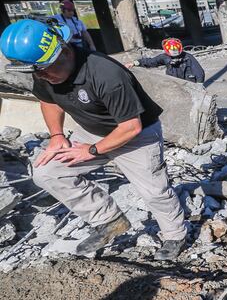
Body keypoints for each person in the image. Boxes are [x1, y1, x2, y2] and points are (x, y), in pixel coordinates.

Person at [0, 19, 187, 260]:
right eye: (36, 71)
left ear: (64, 51)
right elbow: (48, 100)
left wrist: (92, 150)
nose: (41, 76)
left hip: (136, 135)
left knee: (154, 191)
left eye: (44, 69)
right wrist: (57, 135)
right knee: (47, 172)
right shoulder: (42, 71)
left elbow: (131, 127)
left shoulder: (106, 74)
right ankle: (109, 220)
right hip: (93, 131)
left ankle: (175, 236)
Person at [126, 38, 205, 83]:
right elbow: (151, 62)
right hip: (175, 84)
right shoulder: (164, 57)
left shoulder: (188, 57)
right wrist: (135, 63)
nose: (175, 56)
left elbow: (199, 72)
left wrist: (199, 84)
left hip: (189, 83)